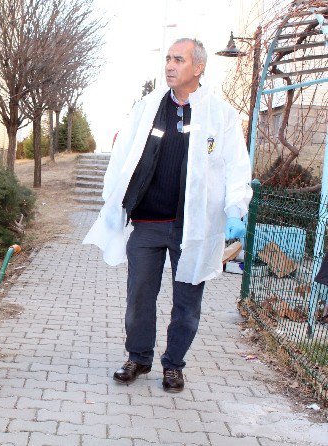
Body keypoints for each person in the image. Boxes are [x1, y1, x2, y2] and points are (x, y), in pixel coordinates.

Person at [83, 38, 252, 393]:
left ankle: (174, 364)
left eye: (179, 59)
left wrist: (237, 208)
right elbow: (124, 156)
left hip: (193, 227)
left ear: (199, 67)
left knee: (186, 302)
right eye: (168, 59)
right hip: (148, 222)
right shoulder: (149, 107)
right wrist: (114, 201)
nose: (170, 66)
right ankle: (139, 357)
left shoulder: (220, 115)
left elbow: (237, 165)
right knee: (139, 296)